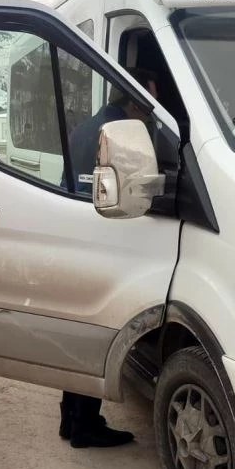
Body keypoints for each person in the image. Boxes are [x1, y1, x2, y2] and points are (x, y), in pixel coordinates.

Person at [59, 68, 159, 448]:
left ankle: (70, 418)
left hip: (77, 238)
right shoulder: (122, 136)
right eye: (149, 103)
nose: (152, 111)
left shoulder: (88, 127)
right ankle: (85, 425)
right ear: (133, 100)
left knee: (78, 336)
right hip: (102, 243)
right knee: (97, 336)